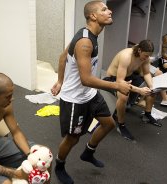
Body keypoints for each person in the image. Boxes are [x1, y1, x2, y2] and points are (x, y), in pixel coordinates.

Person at [50, 1, 132, 184]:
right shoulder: (85, 42)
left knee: (108, 124)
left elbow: (63, 57)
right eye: (104, 9)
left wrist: (60, 80)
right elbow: (86, 79)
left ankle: (88, 152)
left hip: (90, 94)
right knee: (72, 138)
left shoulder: (90, 35)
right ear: (93, 16)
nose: (110, 11)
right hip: (75, 99)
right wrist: (117, 86)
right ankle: (59, 165)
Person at [105, 40, 163, 141]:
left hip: (129, 77)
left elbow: (146, 73)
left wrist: (152, 87)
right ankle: (121, 125)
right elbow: (120, 82)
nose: (147, 58)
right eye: (145, 55)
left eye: (149, 56)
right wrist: (139, 90)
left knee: (152, 89)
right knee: (124, 95)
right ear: (139, 50)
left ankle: (147, 115)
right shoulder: (126, 56)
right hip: (113, 79)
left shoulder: (145, 57)